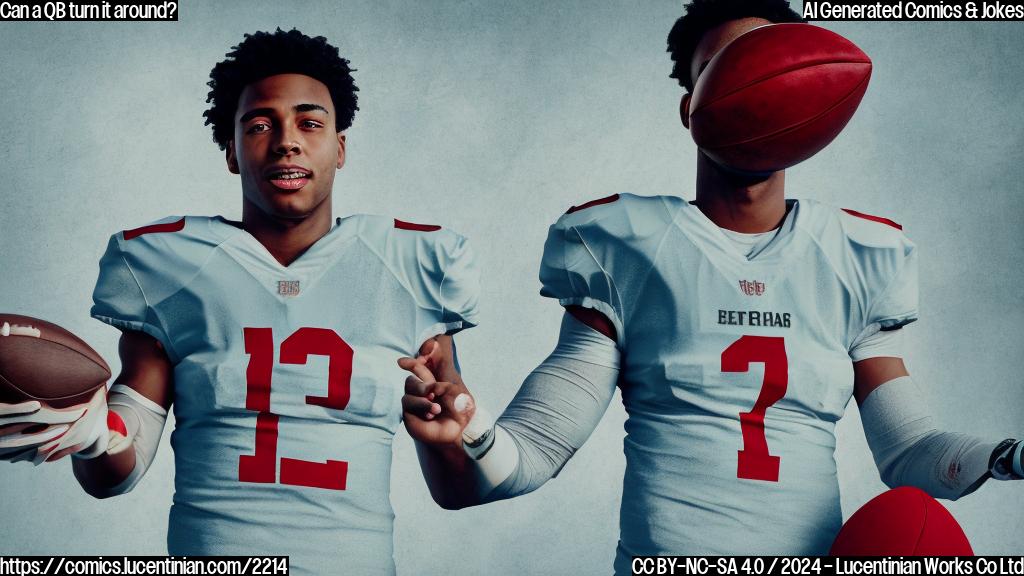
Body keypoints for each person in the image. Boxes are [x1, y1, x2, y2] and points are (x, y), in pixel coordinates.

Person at [399, 0, 1022, 570]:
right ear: (690, 106)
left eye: (771, 62)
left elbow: (910, 450)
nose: (758, 82)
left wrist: (1009, 455)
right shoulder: (627, 247)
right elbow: (527, 455)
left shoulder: (856, 256)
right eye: (726, 68)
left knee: (914, 531)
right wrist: (471, 430)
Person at [0, 29, 478, 575]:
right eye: (259, 125)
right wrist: (91, 434)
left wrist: (451, 434)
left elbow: (455, 488)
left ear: (340, 148)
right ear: (230, 150)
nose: (286, 141)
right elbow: (118, 471)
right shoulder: (167, 266)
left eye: (310, 122)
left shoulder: (411, 266)